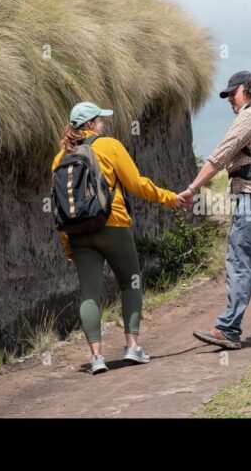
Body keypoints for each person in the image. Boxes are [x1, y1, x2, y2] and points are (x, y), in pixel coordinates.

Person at [53, 102, 188, 374]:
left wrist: (68, 245)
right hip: (112, 224)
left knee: (90, 294)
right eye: (100, 120)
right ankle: (132, 347)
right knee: (131, 282)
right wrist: (170, 198)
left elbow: (62, 206)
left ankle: (96, 357)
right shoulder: (109, 145)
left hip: (78, 233)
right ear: (90, 124)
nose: (103, 124)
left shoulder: (59, 158)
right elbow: (137, 184)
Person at [179, 71, 251, 350]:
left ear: (247, 90)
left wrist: (192, 189)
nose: (229, 98)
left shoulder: (250, 116)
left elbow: (220, 156)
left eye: (233, 92)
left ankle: (228, 328)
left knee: (240, 264)